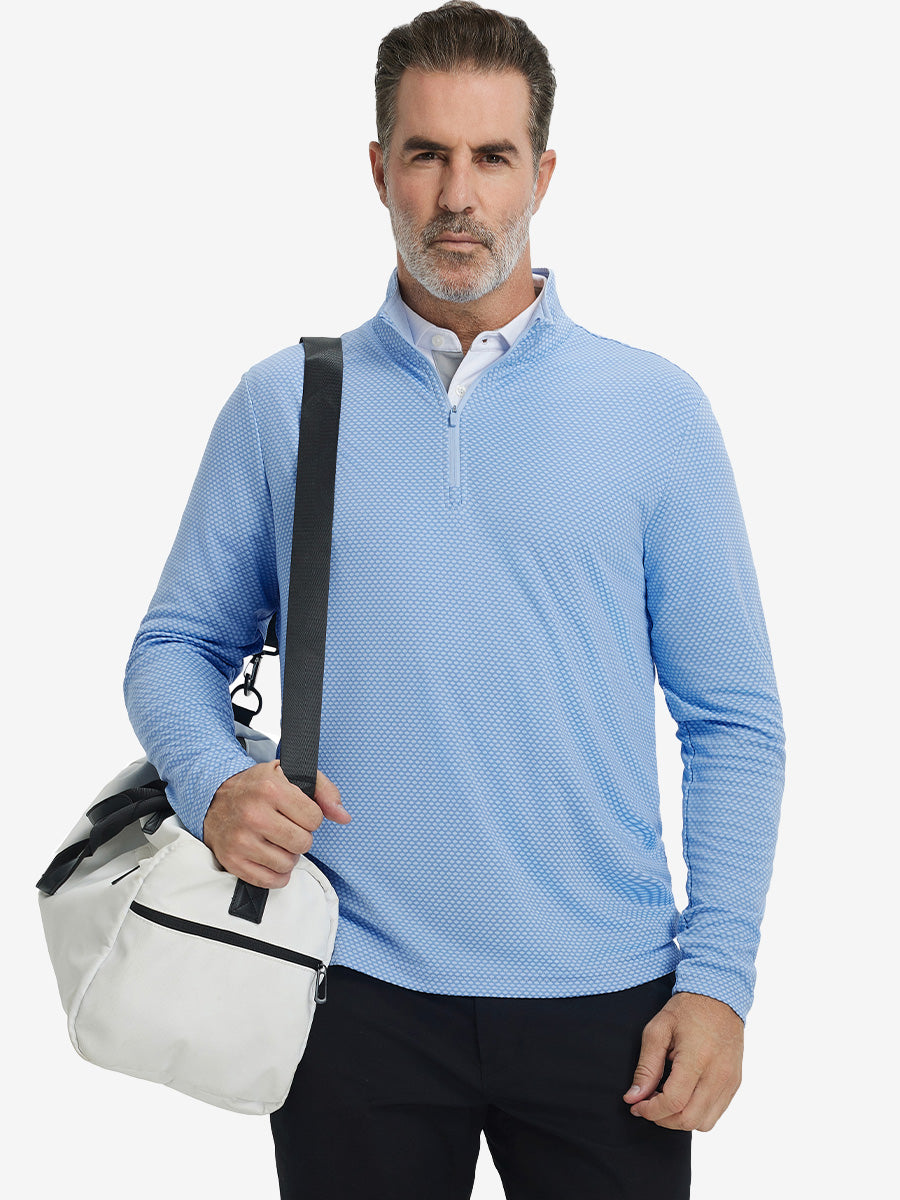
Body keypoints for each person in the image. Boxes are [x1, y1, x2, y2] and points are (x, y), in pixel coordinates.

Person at [124, 3, 785, 1197]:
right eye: (427, 155)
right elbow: (176, 645)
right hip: (350, 992)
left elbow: (732, 720)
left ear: (543, 172)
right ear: (380, 168)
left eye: (491, 156)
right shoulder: (286, 403)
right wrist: (213, 780)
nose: (458, 196)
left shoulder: (656, 411)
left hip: (609, 1004)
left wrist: (719, 980)